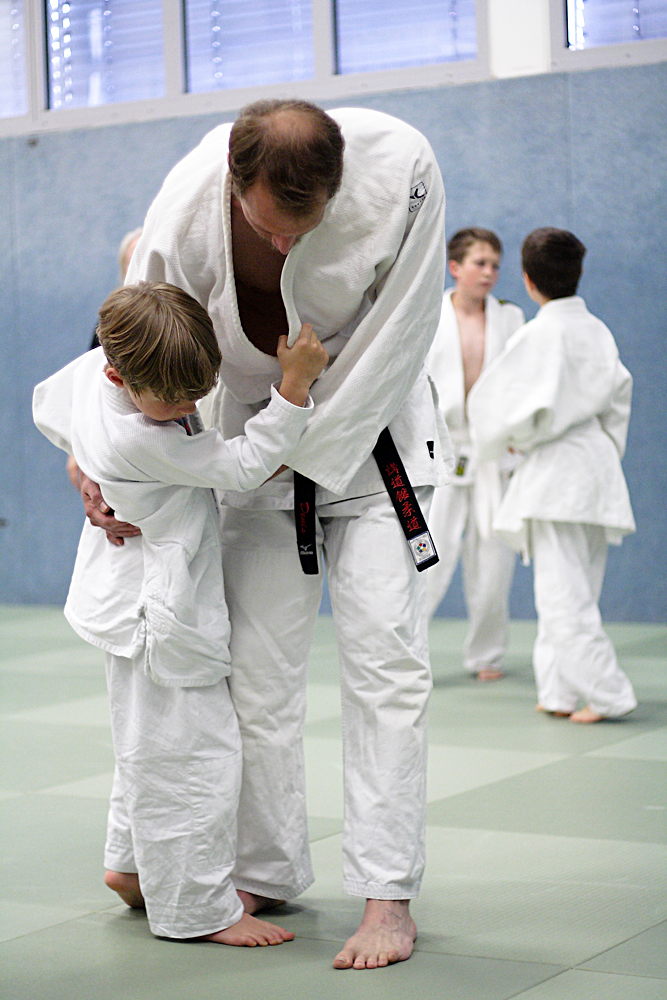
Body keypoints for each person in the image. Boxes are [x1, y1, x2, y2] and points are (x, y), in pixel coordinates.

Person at [81, 99, 450, 969]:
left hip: (373, 443)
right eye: (266, 226)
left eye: (306, 226)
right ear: (232, 181)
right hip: (243, 441)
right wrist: (98, 450)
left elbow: (403, 330)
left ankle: (387, 896)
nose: (285, 248)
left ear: (338, 185)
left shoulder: (403, 168)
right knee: (255, 677)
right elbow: (137, 324)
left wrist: (296, 442)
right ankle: (265, 866)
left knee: (386, 667)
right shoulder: (185, 197)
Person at [33, 281, 328, 945]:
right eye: (172, 399)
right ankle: (196, 910)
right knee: (194, 759)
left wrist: (83, 468)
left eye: (197, 390)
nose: (189, 408)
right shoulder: (142, 437)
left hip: (123, 600)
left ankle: (131, 868)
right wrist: (295, 386)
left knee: (148, 746)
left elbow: (45, 407)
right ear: (119, 373)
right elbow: (247, 463)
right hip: (158, 618)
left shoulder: (89, 378)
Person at [468, 228, 637, 723]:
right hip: (596, 468)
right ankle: (559, 691)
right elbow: (618, 402)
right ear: (578, 274)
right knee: (575, 589)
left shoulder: (538, 335)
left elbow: (493, 410)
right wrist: (601, 450)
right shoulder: (597, 331)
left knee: (563, 598)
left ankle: (609, 695)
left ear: (527, 280)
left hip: (557, 476)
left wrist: (511, 442)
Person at [425, 228, 524, 680]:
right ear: (455, 267)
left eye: (495, 265)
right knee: (428, 558)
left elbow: (525, 384)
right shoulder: (430, 314)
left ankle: (486, 655)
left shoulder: (510, 319)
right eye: (480, 262)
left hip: (490, 455)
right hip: (440, 454)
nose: (489, 272)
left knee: (493, 562)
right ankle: (409, 650)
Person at [66, 227, 144, 490]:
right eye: (133, 264)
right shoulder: (110, 325)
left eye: (145, 259)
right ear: (124, 273)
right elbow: (88, 388)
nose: (141, 271)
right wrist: (78, 451)